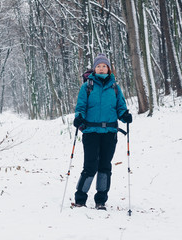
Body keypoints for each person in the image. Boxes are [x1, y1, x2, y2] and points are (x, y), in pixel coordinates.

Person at [73, 53, 132, 210]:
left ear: (108, 69)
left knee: (105, 166)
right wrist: (79, 118)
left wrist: (125, 115)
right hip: (90, 131)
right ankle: (80, 198)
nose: (101, 68)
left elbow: (120, 107)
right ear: (94, 68)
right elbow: (81, 106)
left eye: (103, 66)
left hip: (109, 133)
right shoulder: (87, 87)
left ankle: (101, 200)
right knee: (90, 166)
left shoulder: (115, 87)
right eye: (98, 66)